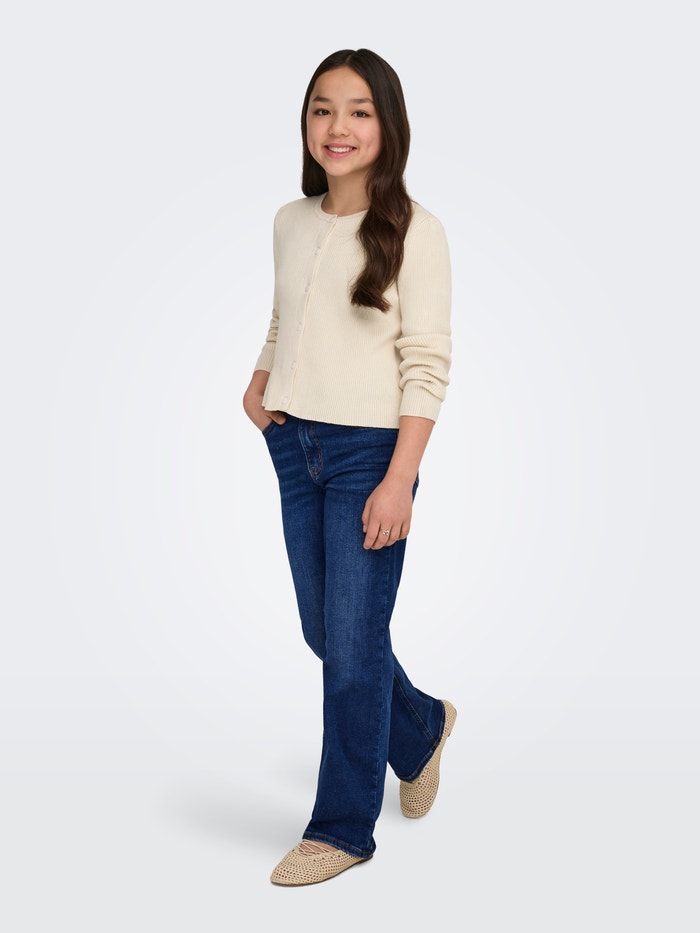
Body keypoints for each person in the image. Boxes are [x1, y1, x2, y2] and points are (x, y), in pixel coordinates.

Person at [242, 48, 456, 887]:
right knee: (327, 633)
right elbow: (284, 314)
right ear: (306, 122)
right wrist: (260, 383)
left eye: (359, 110)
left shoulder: (417, 230)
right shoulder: (289, 221)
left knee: (354, 648)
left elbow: (426, 362)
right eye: (322, 109)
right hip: (295, 443)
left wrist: (399, 478)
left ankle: (341, 828)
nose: (338, 126)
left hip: (371, 452)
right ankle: (421, 727)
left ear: (387, 125)